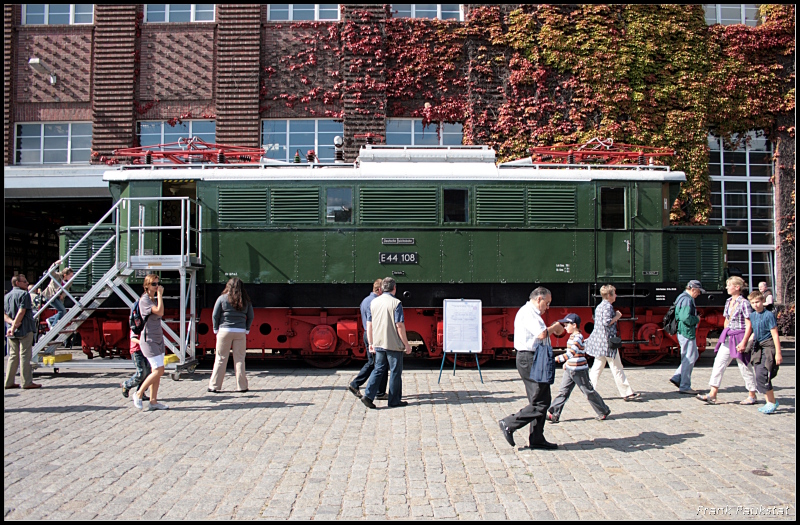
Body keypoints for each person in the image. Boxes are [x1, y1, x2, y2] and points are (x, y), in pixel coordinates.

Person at [498, 287, 565, 450]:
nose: (547, 307)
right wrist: (555, 327)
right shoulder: (529, 312)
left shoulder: (530, 313)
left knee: (540, 399)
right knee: (541, 402)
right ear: (539, 299)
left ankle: (537, 438)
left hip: (534, 357)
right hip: (530, 358)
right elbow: (541, 334)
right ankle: (509, 423)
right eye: (547, 303)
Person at [697, 276, 757, 405]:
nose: (726, 287)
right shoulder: (728, 301)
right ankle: (713, 394)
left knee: (744, 366)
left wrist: (744, 341)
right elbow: (726, 320)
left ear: (737, 287)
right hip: (729, 337)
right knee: (719, 363)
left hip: (740, 336)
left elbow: (749, 324)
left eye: (729, 285)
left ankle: (752, 394)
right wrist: (725, 333)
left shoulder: (744, 303)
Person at [547, 313, 610, 423]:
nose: (565, 327)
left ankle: (603, 410)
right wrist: (567, 363)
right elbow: (570, 354)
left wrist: (556, 359)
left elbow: (571, 353)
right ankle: (554, 413)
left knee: (588, 391)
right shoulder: (572, 336)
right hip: (570, 369)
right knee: (563, 391)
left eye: (567, 325)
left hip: (579, 370)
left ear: (574, 325)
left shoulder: (578, 338)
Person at [361, 277, 412, 409]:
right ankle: (394, 400)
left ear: (382, 288)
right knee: (395, 371)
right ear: (394, 288)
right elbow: (399, 325)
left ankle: (368, 396)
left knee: (378, 369)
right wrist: (406, 344)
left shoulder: (374, 302)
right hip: (393, 343)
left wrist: (371, 342)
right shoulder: (396, 303)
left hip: (378, 342)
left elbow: (369, 324)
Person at [585, 284, 640, 401]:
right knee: (617, 367)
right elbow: (606, 322)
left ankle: (589, 390)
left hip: (600, 342)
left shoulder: (600, 306)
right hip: (607, 343)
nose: (616, 295)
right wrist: (617, 316)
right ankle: (627, 393)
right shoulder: (608, 307)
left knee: (597, 367)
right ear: (609, 295)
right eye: (614, 293)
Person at [208, 277, 254, 393]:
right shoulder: (245, 300)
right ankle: (242, 386)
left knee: (221, 358)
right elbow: (251, 316)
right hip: (240, 332)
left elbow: (215, 315)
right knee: (239, 359)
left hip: (224, 331)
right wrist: (247, 329)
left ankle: (214, 386)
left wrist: (215, 328)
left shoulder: (222, 298)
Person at [132, 274, 168, 410]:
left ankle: (153, 401)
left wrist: (157, 295)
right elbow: (160, 312)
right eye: (154, 284)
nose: (157, 286)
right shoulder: (145, 300)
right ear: (147, 285)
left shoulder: (152, 299)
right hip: (149, 339)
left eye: (158, 283)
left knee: (156, 371)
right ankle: (139, 393)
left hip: (158, 338)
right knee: (159, 370)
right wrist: (160, 295)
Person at [348, 279, 388, 400]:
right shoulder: (376, 302)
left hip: (367, 333)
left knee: (375, 363)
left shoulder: (365, 301)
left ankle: (362, 386)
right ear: (380, 290)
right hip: (375, 334)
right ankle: (359, 385)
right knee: (380, 364)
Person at [746, 291, 782, 414]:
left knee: (764, 373)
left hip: (768, 345)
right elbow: (754, 331)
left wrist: (778, 353)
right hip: (758, 346)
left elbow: (775, 334)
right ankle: (769, 402)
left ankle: (771, 402)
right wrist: (745, 343)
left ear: (762, 302)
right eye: (753, 303)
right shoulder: (753, 315)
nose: (755, 305)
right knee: (758, 373)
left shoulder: (769, 315)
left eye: (757, 302)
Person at [4, 275, 41, 389]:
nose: (27, 283)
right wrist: (15, 325)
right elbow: (22, 311)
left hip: (11, 331)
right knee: (25, 355)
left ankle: (8, 382)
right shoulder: (24, 294)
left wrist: (11, 324)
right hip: (24, 328)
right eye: (24, 281)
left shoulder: (7, 296)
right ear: (18, 283)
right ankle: (26, 382)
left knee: (13, 356)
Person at [668, 280, 704, 394]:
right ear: (692, 289)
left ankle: (677, 377)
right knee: (689, 357)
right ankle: (685, 386)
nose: (699, 294)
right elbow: (685, 318)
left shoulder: (682, 297)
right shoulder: (687, 299)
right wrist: (696, 319)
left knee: (693, 355)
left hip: (684, 331)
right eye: (698, 291)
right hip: (686, 331)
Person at [120, 330, 151, 400]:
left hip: (145, 350)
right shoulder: (136, 324)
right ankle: (127, 385)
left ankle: (140, 392)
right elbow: (133, 338)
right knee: (141, 373)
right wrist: (142, 342)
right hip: (137, 351)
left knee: (148, 373)